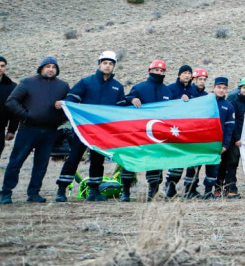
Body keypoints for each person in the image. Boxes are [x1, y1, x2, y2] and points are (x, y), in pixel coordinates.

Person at [55, 51, 126, 203]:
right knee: (74, 157)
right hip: (83, 129)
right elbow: (72, 99)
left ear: (114, 66)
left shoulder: (117, 87)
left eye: (111, 63)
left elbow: (121, 109)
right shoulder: (86, 82)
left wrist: (132, 101)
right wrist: (64, 103)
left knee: (98, 160)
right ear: (99, 64)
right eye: (105, 63)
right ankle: (61, 190)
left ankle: (94, 191)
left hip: (102, 132)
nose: (108, 66)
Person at [0, 57, 70, 204]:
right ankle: (6, 192)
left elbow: (69, 105)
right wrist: (26, 116)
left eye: (53, 67)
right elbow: (11, 101)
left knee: (41, 164)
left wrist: (59, 119)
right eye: (47, 66)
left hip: (50, 131)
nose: (50, 69)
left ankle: (34, 193)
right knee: (16, 161)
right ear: (41, 68)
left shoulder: (63, 86)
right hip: (28, 129)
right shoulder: (28, 82)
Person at [121, 59, 173, 202]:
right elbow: (125, 101)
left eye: (162, 71)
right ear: (150, 71)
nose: (159, 73)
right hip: (138, 132)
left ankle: (153, 192)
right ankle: (125, 191)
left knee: (156, 163)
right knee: (131, 160)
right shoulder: (139, 88)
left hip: (158, 134)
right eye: (156, 70)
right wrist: (132, 99)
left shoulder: (167, 91)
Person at [201, 78, 236, 199]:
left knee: (213, 168)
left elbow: (229, 128)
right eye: (219, 87)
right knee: (194, 167)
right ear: (213, 88)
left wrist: (225, 145)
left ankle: (208, 191)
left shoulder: (228, 106)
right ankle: (190, 191)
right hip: (201, 142)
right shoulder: (204, 102)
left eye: (224, 88)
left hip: (216, 143)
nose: (221, 90)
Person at [181, 69, 211, 195]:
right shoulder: (187, 93)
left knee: (197, 162)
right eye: (200, 79)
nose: (202, 82)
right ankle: (185, 189)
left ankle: (193, 188)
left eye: (204, 79)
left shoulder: (206, 96)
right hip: (187, 132)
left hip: (200, 133)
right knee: (189, 162)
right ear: (194, 80)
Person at [0, 57, 16, 161]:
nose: (0, 68)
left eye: (2, 66)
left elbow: (14, 110)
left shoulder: (12, 87)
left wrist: (11, 130)